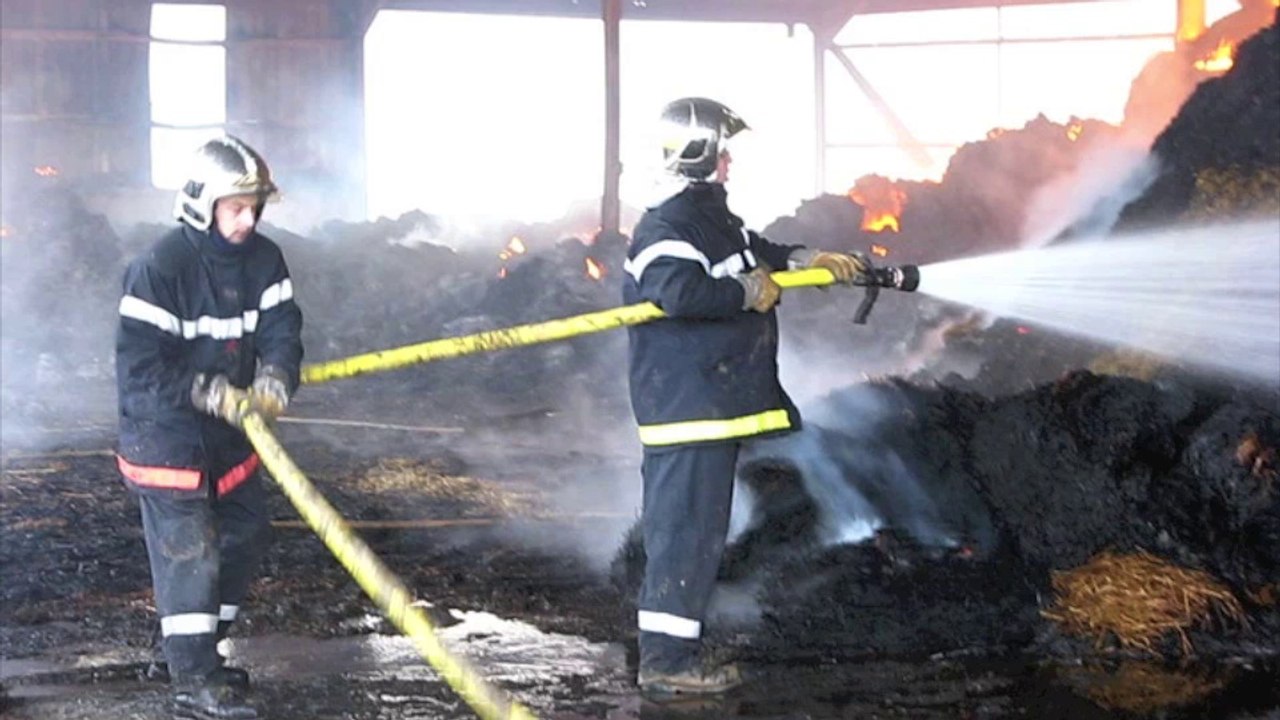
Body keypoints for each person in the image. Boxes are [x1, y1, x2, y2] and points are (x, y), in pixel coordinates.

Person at [623, 97, 869, 697]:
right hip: (689, 411)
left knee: (701, 533)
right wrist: (742, 293)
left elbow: (748, 249)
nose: (730, 160)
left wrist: (801, 259)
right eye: (723, 148)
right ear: (700, 153)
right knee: (683, 534)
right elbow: (678, 290)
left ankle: (676, 651)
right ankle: (666, 666)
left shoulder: (708, 218)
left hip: (714, 405)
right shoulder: (665, 226)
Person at [115, 135, 303, 720]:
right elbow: (142, 368)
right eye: (235, 207)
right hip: (167, 440)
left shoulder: (266, 260)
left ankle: (184, 650)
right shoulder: (158, 268)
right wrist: (207, 390)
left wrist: (276, 375)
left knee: (244, 536)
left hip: (229, 441)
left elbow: (281, 327)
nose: (247, 219)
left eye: (254, 207)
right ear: (201, 203)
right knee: (190, 554)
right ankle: (193, 681)